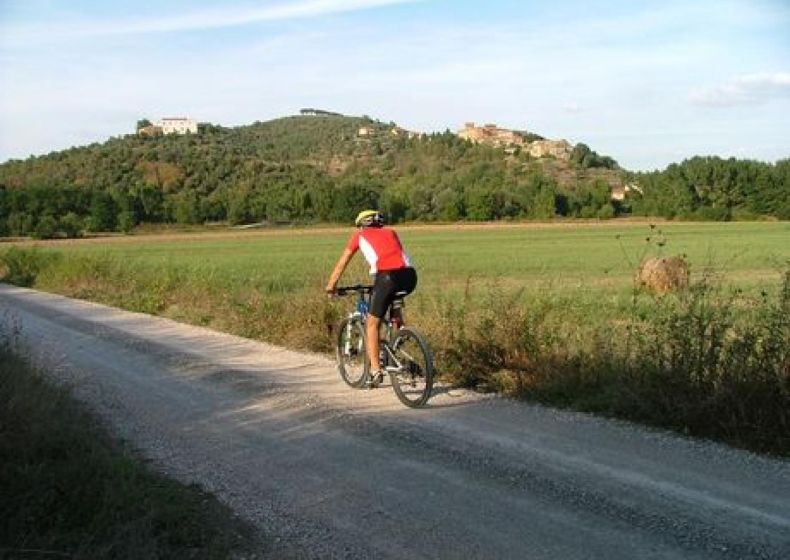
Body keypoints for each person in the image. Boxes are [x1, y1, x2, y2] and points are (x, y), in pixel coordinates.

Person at [325, 210, 417, 387]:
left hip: (387, 277)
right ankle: (400, 332)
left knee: (372, 325)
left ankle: (375, 371)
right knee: (393, 301)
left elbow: (343, 261)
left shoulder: (359, 235)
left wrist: (331, 285)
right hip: (410, 276)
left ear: (361, 224)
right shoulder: (391, 232)